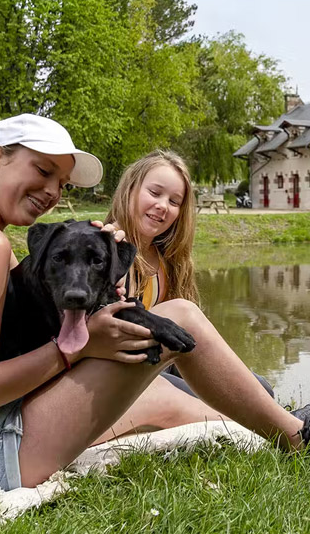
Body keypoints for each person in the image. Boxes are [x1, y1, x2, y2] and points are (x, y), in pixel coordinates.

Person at [0, 114, 310, 492]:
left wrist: (91, 281)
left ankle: (281, 423)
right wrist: (78, 350)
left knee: (161, 383)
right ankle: (307, 442)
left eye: (60, 184)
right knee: (174, 318)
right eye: (42, 171)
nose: (50, 192)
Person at [103, 150, 290, 407]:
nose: (162, 206)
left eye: (174, 201)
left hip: (163, 361)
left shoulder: (169, 260)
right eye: (155, 193)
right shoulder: (106, 247)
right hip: (124, 369)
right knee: (207, 401)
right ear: (130, 190)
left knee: (262, 390)